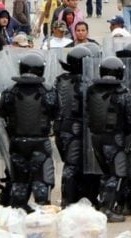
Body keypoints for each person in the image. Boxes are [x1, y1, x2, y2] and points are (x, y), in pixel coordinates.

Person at [0, 53, 58, 211]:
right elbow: (57, 112)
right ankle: (42, 209)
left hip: (17, 141)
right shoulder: (48, 90)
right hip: (40, 141)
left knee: (20, 180)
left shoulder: (10, 91)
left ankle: (19, 210)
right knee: (42, 178)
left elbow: (1, 111)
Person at [85, 57, 131, 222]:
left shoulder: (91, 90)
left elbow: (87, 113)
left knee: (107, 173)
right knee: (118, 174)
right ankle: (107, 209)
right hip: (114, 138)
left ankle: (103, 205)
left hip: (95, 137)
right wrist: (126, 133)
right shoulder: (123, 93)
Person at [54, 46, 93, 207]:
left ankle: (71, 198)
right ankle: (69, 199)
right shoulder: (85, 81)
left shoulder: (60, 80)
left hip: (62, 127)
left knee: (71, 164)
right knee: (75, 165)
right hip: (78, 127)